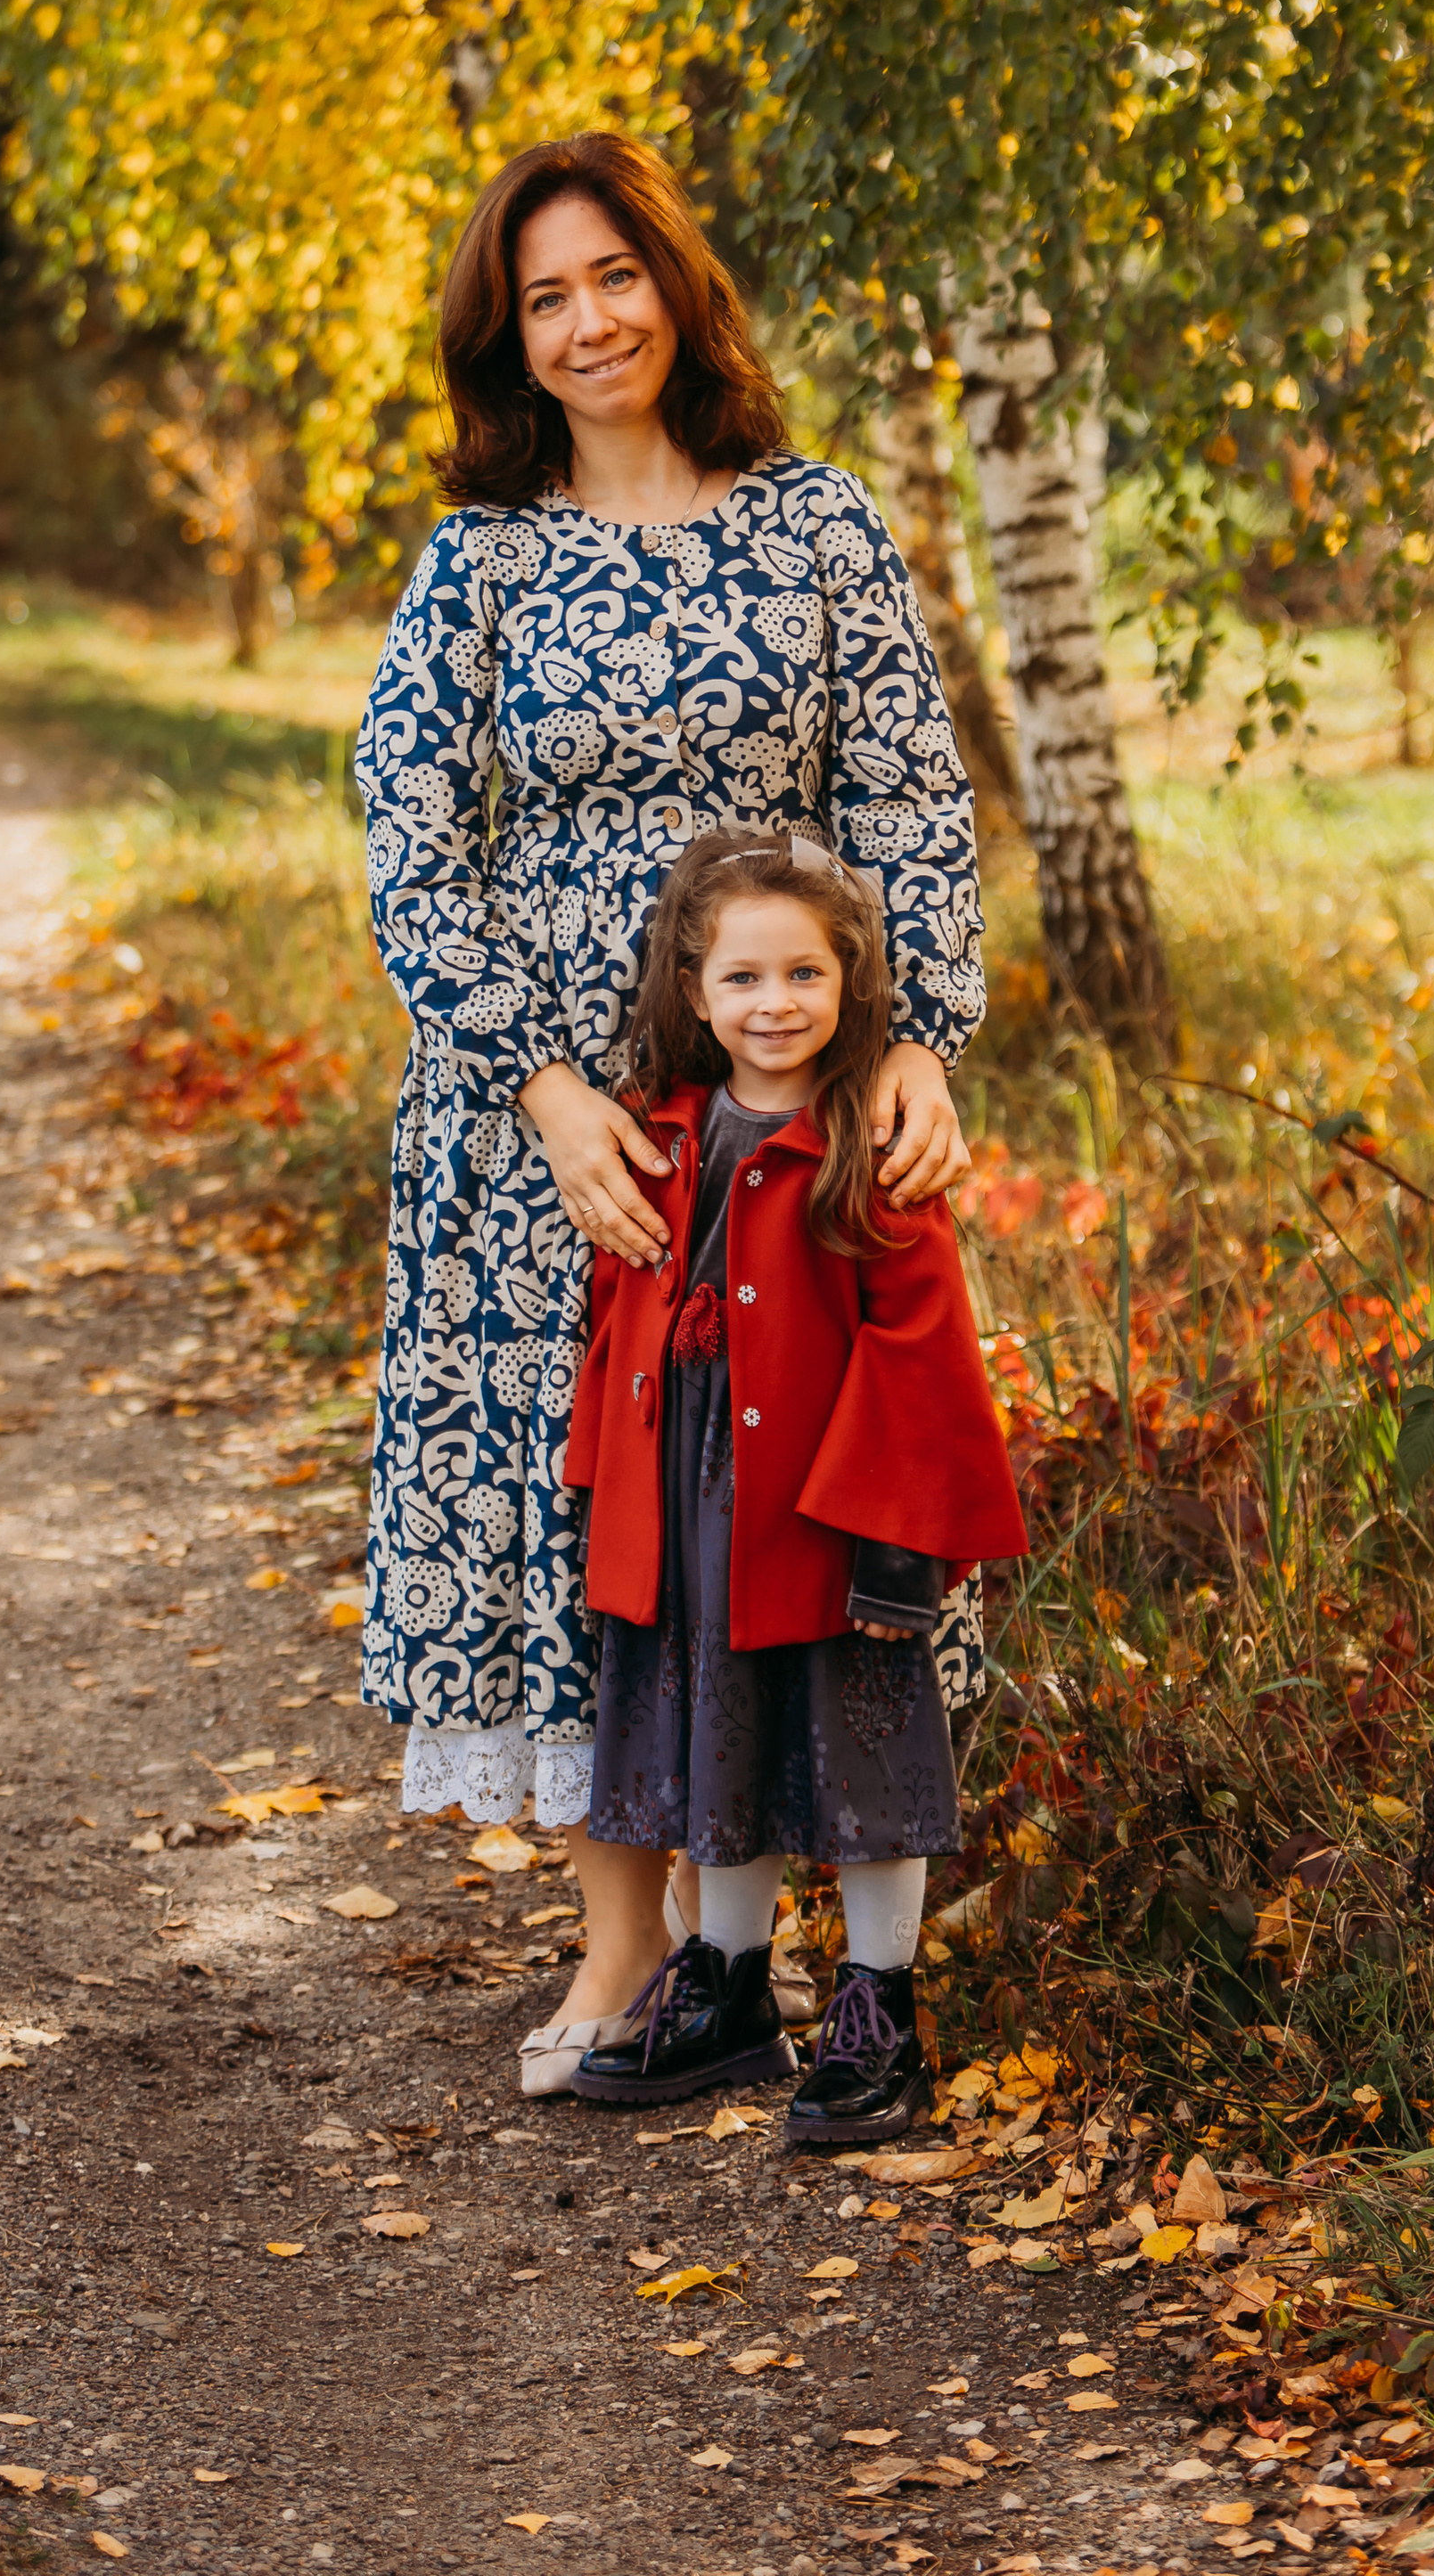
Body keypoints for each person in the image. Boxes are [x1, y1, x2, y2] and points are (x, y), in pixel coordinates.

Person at [354, 131, 986, 2099]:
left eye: (612, 275)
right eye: (542, 297)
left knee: (784, 1504)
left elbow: (909, 796)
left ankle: (809, 1950)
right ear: (508, 339)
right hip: (548, 1128)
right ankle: (631, 1946)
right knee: (595, 1518)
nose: (586, 322)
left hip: (786, 1110)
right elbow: (408, 834)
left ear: (674, 284)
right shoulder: (481, 559)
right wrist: (539, 1088)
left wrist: (919, 1043)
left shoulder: (815, 525)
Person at [561, 830, 1026, 2141]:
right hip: (693, 1508)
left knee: (864, 1751)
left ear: (851, 982)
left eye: (805, 974)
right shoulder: (662, 1131)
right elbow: (617, 1320)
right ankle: (727, 1985)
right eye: (744, 978)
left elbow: (924, 1349)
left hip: (831, 1514)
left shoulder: (870, 1143)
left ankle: (880, 2009)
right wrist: (605, 1479)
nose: (776, 1003)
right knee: (724, 1736)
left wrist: (901, 1544)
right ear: (694, 991)